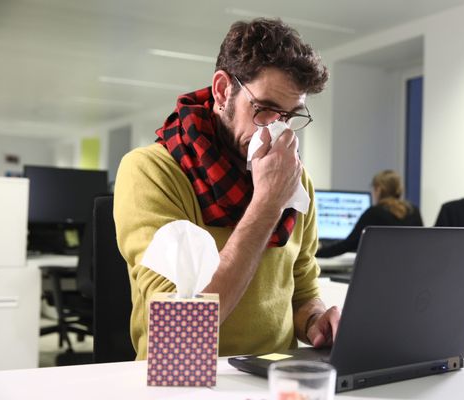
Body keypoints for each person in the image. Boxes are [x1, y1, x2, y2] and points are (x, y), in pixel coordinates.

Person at [114, 18, 340, 359]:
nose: (277, 130)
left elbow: (302, 289)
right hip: (187, 376)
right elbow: (180, 328)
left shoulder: (294, 178)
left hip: (274, 375)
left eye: (290, 117)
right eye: (264, 110)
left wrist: (316, 320)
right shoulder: (151, 171)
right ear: (222, 91)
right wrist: (267, 204)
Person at [316, 170, 423, 258]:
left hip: (381, 271)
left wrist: (315, 253)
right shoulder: (413, 211)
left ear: (378, 189)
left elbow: (348, 244)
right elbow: (421, 242)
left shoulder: (375, 212)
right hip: (410, 268)